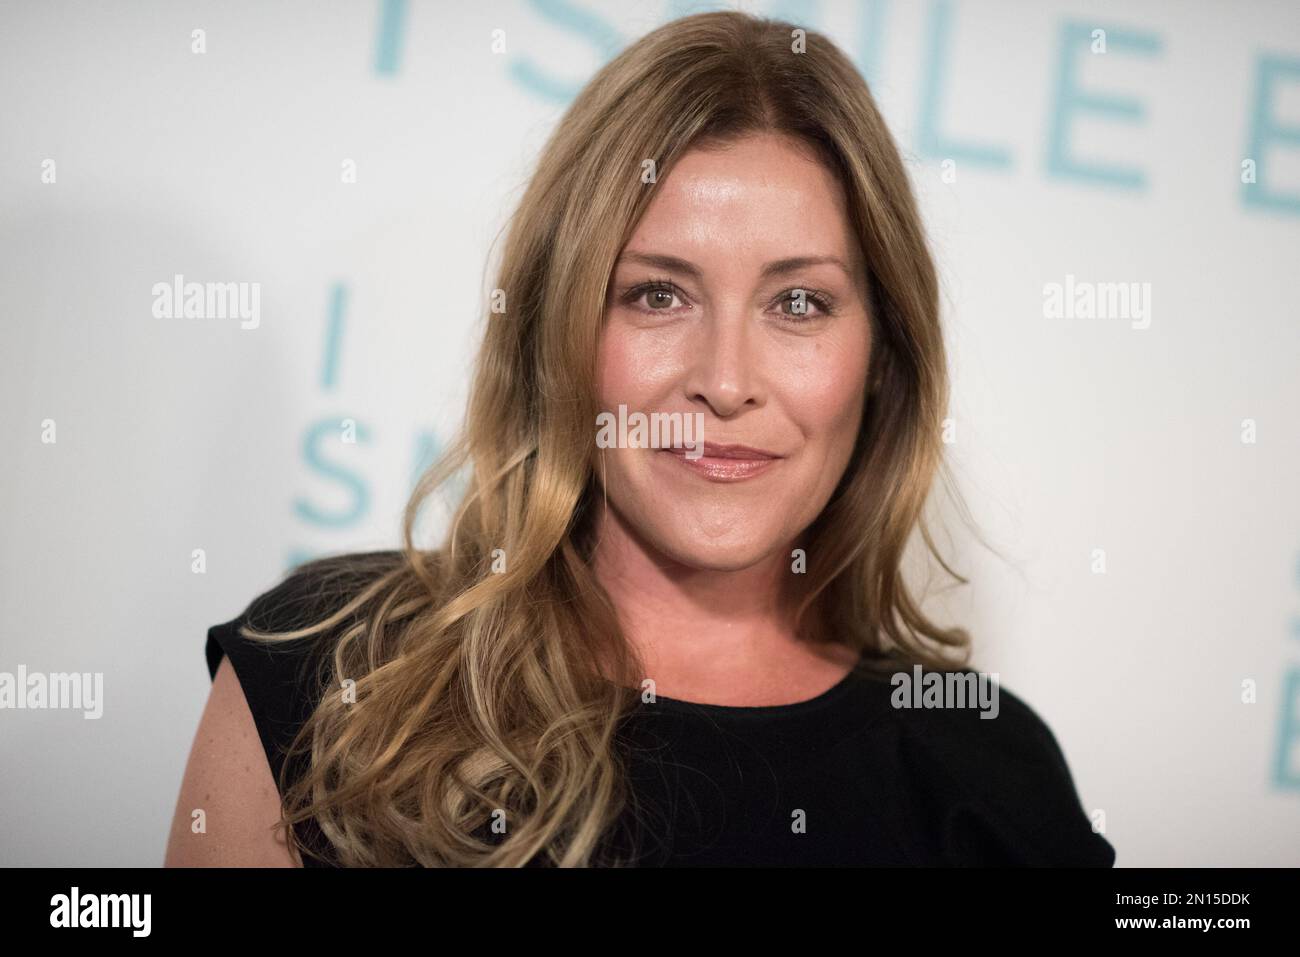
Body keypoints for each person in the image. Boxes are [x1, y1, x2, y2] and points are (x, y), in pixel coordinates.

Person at [165, 10, 1115, 868]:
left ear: (881, 355)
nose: (726, 380)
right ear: (561, 333)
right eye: (658, 293)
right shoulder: (334, 669)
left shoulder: (983, 771)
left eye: (799, 302)